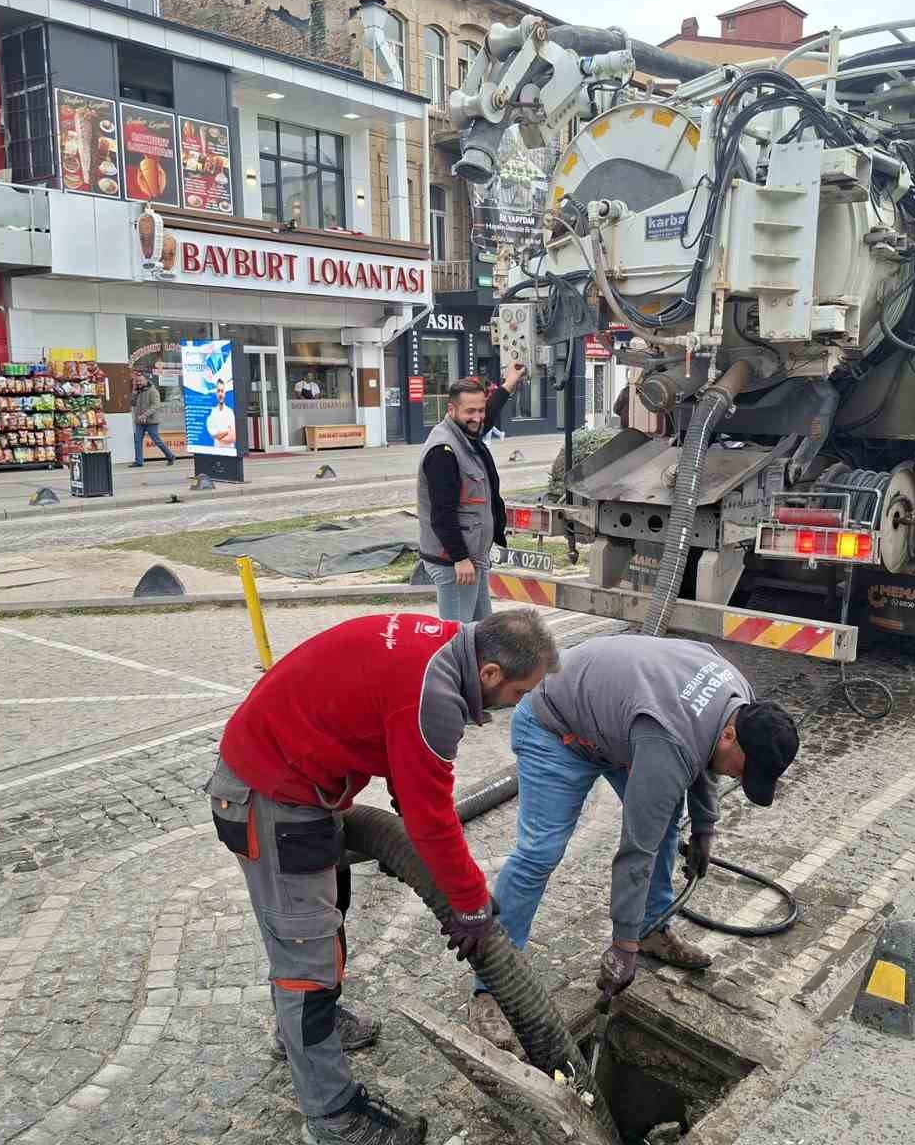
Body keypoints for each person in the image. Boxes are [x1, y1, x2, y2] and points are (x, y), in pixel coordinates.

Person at [203, 608, 560, 1145]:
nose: (518, 704)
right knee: (307, 962)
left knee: (328, 914)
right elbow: (428, 816)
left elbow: (408, 778)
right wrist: (470, 906)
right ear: (489, 673)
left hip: (295, 782)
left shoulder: (443, 647)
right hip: (269, 797)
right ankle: (332, 1117)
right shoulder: (434, 697)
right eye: (519, 692)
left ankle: (302, 1030)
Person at [465, 636, 799, 1050]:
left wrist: (704, 827)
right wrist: (622, 948)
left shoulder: (740, 700)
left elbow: (704, 759)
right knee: (540, 853)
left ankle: (652, 929)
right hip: (556, 727)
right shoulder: (672, 738)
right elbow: (635, 849)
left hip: (620, 726)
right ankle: (490, 988)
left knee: (665, 821)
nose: (736, 778)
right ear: (732, 734)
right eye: (741, 771)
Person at [417, 363, 526, 623]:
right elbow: (442, 514)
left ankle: (478, 665)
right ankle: (452, 666)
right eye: (470, 411)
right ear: (451, 409)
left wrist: (509, 382)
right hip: (455, 564)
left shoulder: (466, 433)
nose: (478, 418)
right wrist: (460, 558)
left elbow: (488, 415)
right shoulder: (443, 451)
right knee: (458, 638)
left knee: (481, 633)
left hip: (472, 558)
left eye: (481, 410)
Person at [129, 371, 176, 467]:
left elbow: (155, 405)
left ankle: (170, 456)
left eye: (140, 381)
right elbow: (132, 403)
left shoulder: (153, 391)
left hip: (151, 421)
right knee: (137, 440)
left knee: (156, 440)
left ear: (146, 380)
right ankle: (139, 461)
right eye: (137, 381)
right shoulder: (138, 391)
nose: (138, 383)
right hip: (139, 421)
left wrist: (145, 415)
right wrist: (134, 392)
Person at [206, 377, 236, 449]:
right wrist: (227, 431)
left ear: (225, 393)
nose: (220, 394)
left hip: (229, 451)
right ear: (216, 393)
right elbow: (212, 435)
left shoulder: (230, 412)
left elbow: (233, 437)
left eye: (222, 391)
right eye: (218, 391)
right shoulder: (213, 413)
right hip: (217, 451)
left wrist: (218, 436)